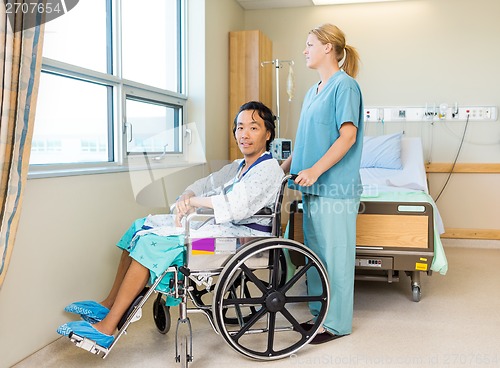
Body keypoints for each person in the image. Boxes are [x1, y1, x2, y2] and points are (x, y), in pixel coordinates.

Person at [57, 101, 284, 348]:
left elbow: (235, 205)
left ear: (268, 133)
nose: (245, 134)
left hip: (237, 244)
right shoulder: (239, 167)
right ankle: (109, 305)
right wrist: (188, 195)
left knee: (153, 243)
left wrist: (195, 203)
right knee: (139, 226)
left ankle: (108, 327)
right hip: (223, 233)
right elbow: (207, 183)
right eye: (240, 128)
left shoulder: (268, 169)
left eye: (253, 128)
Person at [281, 23, 363, 344]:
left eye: (309, 44)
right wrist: (281, 168)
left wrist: (315, 170)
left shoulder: (346, 87)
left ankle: (337, 324)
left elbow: (348, 136)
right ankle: (320, 316)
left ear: (328, 47)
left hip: (336, 188)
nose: (305, 50)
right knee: (316, 256)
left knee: (336, 256)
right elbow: (304, 141)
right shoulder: (312, 91)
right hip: (312, 188)